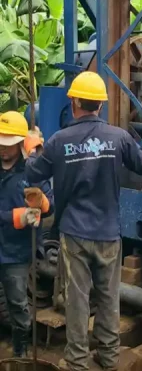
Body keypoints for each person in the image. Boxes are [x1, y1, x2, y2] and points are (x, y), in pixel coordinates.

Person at [24, 71, 142, 371]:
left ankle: (76, 361)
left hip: (74, 233)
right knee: (109, 297)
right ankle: (109, 358)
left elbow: (33, 173)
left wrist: (31, 148)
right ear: (100, 105)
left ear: (73, 102)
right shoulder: (119, 137)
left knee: (77, 300)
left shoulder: (59, 141)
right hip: (109, 233)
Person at [0, 111, 53, 357]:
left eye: (9, 144)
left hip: (16, 253)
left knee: (18, 304)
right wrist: (14, 217)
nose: (3, 149)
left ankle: (20, 352)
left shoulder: (32, 170)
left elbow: (50, 204)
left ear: (22, 142)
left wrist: (40, 203)